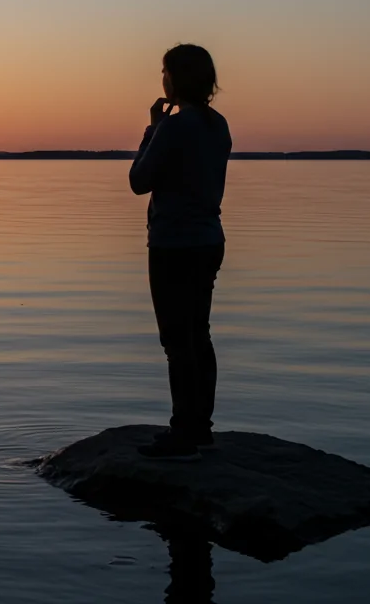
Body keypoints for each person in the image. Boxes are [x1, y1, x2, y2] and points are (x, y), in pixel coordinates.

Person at [128, 44, 232, 461]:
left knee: (177, 339)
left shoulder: (173, 128)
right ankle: (200, 427)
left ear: (177, 78)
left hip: (174, 244)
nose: (162, 79)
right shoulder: (218, 125)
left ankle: (183, 432)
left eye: (164, 71)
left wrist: (152, 128)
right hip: (209, 240)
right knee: (198, 334)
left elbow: (139, 180)